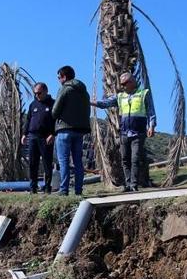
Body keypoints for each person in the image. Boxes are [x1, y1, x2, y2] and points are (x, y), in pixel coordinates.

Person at [91, 72, 156, 192]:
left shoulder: (143, 94)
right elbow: (106, 103)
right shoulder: (120, 96)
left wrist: (151, 126)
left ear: (131, 82)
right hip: (124, 132)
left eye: (124, 84)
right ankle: (127, 184)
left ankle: (134, 184)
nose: (122, 86)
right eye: (121, 84)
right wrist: (92, 102)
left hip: (138, 132)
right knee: (125, 159)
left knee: (135, 158)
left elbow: (151, 112)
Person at [51, 65, 91, 196]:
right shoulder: (84, 91)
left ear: (64, 77)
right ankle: (79, 190)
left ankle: (64, 189)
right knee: (78, 162)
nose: (58, 80)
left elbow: (55, 110)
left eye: (59, 77)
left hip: (64, 129)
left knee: (63, 161)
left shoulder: (64, 89)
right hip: (79, 131)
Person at [21, 82, 55, 194]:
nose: (37, 95)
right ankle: (33, 187)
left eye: (39, 93)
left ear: (46, 91)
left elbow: (57, 121)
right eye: (35, 93)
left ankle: (47, 187)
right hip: (33, 137)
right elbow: (28, 120)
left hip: (46, 137)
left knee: (46, 163)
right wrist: (24, 134)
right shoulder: (33, 104)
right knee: (33, 163)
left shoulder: (52, 104)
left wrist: (53, 134)